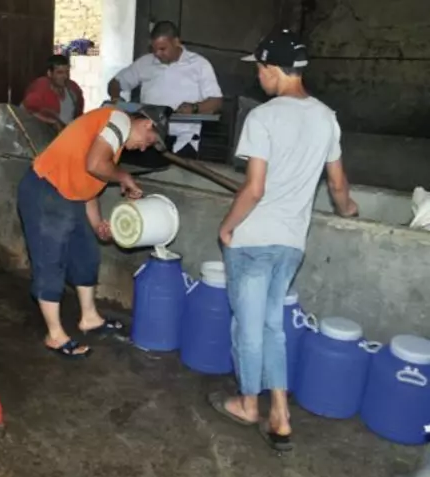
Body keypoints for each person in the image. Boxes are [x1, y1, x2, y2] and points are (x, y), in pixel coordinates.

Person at [207, 29, 359, 451]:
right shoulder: (327, 116)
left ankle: (247, 405)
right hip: (292, 242)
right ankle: (280, 412)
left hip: (254, 238)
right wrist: (349, 210)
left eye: (259, 69)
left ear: (274, 69)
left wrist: (227, 226)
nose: (258, 77)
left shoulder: (263, 117)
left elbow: (253, 189)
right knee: (273, 324)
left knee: (248, 327)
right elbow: (339, 184)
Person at [17, 106, 161, 359]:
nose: (144, 148)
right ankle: (55, 334)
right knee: (51, 262)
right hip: (46, 189)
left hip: (70, 195)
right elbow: (95, 164)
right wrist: (124, 177)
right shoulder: (118, 119)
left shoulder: (112, 144)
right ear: (148, 124)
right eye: (149, 141)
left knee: (86, 255)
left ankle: (90, 318)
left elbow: (89, 187)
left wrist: (96, 225)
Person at [107, 20, 223, 160]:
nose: (157, 54)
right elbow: (115, 83)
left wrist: (194, 108)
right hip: (148, 138)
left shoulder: (199, 65)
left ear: (176, 42)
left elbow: (216, 101)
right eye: (154, 49)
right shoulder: (145, 63)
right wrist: (116, 99)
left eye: (163, 49)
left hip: (183, 139)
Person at [22, 55, 85, 131]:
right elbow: (25, 112)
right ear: (49, 73)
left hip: (69, 136)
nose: (65, 76)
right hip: (45, 136)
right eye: (60, 73)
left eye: (67, 72)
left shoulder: (74, 89)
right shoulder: (40, 88)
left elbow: (79, 114)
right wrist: (51, 122)